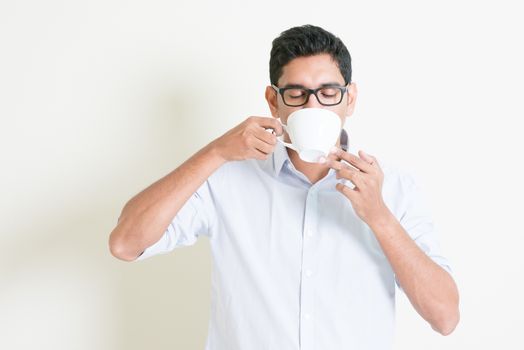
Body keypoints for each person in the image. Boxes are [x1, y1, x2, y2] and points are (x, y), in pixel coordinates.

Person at [109, 24, 460, 350]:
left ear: (349, 99)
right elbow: (125, 243)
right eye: (296, 93)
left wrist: (380, 217)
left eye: (328, 93)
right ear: (273, 100)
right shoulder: (227, 177)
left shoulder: (394, 188)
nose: (313, 105)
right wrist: (215, 152)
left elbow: (445, 317)